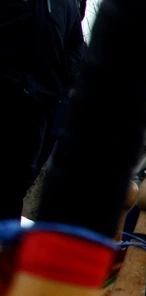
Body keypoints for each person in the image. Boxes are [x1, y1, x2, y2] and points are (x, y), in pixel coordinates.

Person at [0, 0, 86, 221]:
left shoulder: (67, 6)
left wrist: (54, 86)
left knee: (14, 184)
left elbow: (76, 50)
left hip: (35, 108)